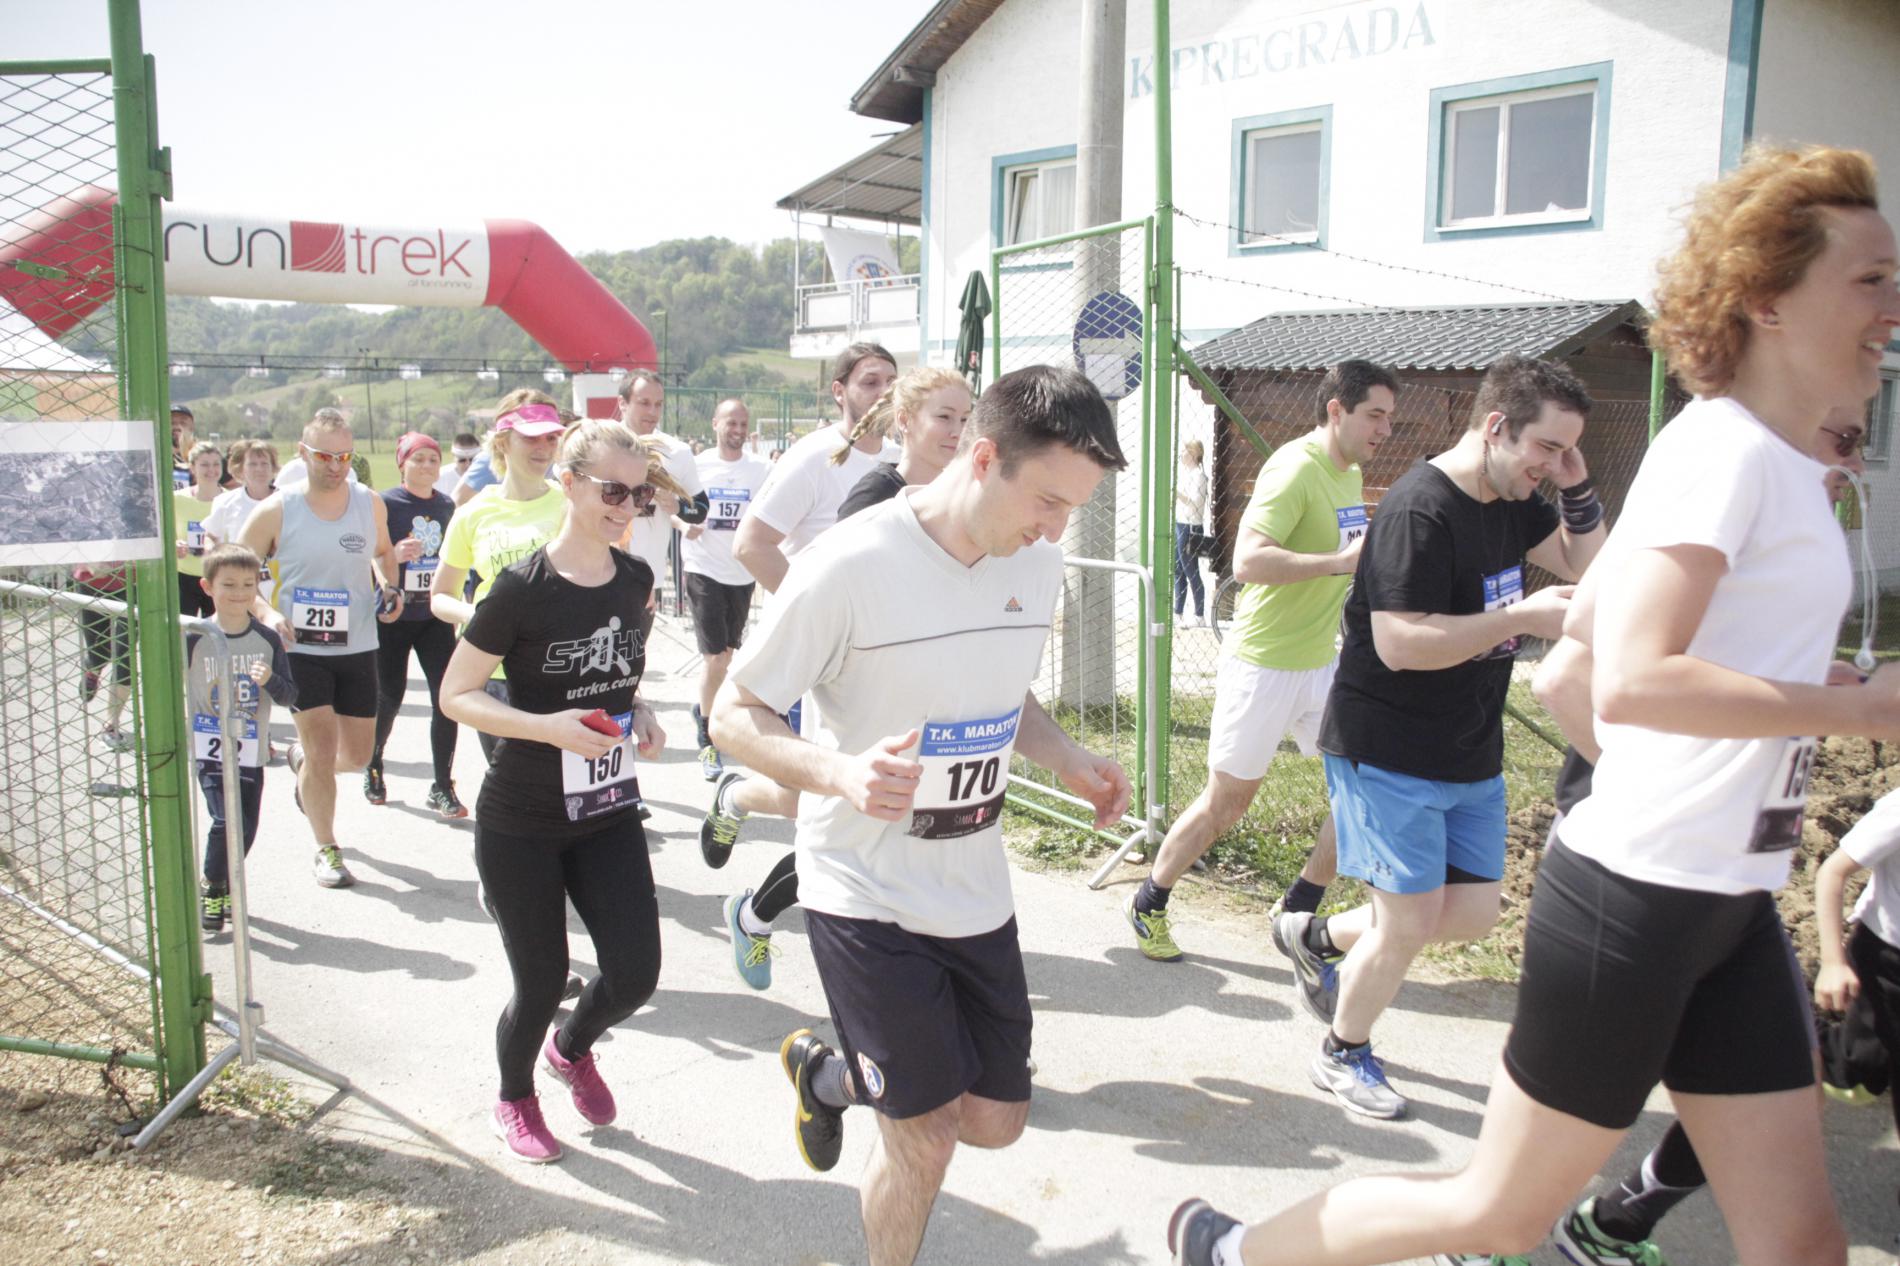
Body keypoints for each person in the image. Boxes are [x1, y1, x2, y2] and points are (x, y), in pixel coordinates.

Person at [1169, 141, 1900, 1266]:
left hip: (1734, 891)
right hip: (1637, 890)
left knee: (1802, 1245)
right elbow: (1626, 675)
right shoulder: (1721, 455)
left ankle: (1330, 961)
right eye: (1870, 279)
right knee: (1496, 1212)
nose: (1891, 307)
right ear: (1768, 301)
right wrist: (1856, 712)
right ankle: (1233, 1249)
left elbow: (1602, 609)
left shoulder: (1787, 466)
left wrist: (1827, 689)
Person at [710, 364, 1132, 1266]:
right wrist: (839, 772)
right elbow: (732, 715)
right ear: (982, 458)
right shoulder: (848, 565)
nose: (1057, 529)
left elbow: (1005, 692)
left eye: (1074, 509)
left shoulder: (1035, 560)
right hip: (862, 889)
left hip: (972, 888)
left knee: (996, 1119)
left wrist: (1068, 758)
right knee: (927, 1135)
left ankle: (828, 1077)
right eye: (1048, 501)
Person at [1520, 409, 1870, 1266]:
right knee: (1524, 1174)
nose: (1855, 463)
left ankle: (1614, 1221)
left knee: (1790, 1115)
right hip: (1638, 865)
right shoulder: (1725, 466)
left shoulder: (1786, 513)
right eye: (1844, 438)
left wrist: (1798, 687)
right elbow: (1568, 671)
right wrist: (1659, 777)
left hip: (1727, 877)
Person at [1267, 354, 1602, 1123]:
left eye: (1565, 451)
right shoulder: (1420, 509)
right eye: (1546, 448)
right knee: (1410, 923)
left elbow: (1586, 564)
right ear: (1496, 427)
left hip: (1467, 745)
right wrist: (1518, 617)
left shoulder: (1515, 497)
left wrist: (1577, 487)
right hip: (1386, 745)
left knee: (1473, 914)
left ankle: (1318, 936)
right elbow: (1400, 644)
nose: (1551, 466)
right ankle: (1342, 1052)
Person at [439, 418, 670, 1165]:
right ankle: (514, 1098)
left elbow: (618, 676)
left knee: (635, 974)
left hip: (605, 812)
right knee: (539, 982)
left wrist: (641, 712)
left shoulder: (636, 580)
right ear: (568, 484)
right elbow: (456, 695)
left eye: (639, 493)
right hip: (523, 819)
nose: (627, 506)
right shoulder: (520, 589)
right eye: (612, 491)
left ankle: (569, 1051)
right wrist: (547, 727)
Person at [1126, 361, 1393, 962]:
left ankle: (1296, 908)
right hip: (1263, 665)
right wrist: (1339, 563)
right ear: (1336, 410)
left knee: (1363, 788)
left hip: (1321, 664)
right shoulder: (1295, 468)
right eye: (1374, 415)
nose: (1385, 430)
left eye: (1389, 418)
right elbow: (1247, 561)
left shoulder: (1349, 473)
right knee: (1228, 803)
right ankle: (1148, 900)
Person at [700, 342, 898, 990]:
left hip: (880, 655)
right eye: (870, 381)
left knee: (820, 800)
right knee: (825, 804)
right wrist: (821, 619)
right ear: (839, 391)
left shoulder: (904, 459)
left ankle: (736, 796)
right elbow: (751, 544)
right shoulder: (817, 457)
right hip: (822, 656)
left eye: (892, 381)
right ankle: (755, 912)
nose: (884, 392)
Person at [240, 408, 412, 890]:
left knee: (355, 756)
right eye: (324, 456)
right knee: (322, 750)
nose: (335, 466)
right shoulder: (277, 509)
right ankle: (326, 847)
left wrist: (391, 590)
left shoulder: (369, 503)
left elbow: (383, 552)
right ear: (302, 453)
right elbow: (236, 572)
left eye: (344, 457)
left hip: (358, 645)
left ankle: (301, 761)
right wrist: (267, 614)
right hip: (300, 649)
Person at [430, 391, 566, 766]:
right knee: (510, 778)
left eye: (551, 437)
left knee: (561, 783)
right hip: (496, 670)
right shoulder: (473, 513)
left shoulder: (570, 503)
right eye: (531, 437)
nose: (543, 448)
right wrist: (475, 615)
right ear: (503, 441)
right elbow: (440, 596)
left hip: (562, 666)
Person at [186, 544, 295, 932]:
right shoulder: (193, 636)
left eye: (248, 585)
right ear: (207, 587)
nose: (239, 592)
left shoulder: (266, 640)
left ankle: (224, 880)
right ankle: (213, 886)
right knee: (224, 818)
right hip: (209, 746)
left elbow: (289, 696)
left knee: (246, 827)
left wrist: (270, 680)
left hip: (250, 749)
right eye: (228, 584)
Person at [367, 431, 465, 817]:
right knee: (389, 697)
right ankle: (373, 762)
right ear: (402, 464)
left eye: (432, 459)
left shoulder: (446, 504)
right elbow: (368, 555)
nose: (426, 466)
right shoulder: (386, 503)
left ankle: (442, 784)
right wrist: (393, 554)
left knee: (446, 699)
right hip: (393, 616)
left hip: (434, 616)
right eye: (418, 459)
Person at [679, 398, 771, 782]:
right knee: (715, 658)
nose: (737, 430)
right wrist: (683, 525)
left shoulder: (761, 470)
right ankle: (707, 737)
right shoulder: (696, 467)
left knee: (727, 655)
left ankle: (702, 708)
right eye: (731, 422)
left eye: (743, 424)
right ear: (715, 423)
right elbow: (671, 503)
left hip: (741, 572)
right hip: (703, 568)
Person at [616, 369, 708, 641]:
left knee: (633, 654)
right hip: (598, 570)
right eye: (644, 403)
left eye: (658, 404)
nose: (652, 412)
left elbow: (701, 508)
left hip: (646, 578)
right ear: (623, 403)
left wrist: (676, 506)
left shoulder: (676, 451)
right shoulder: (599, 442)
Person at [74, 562, 133, 752]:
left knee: (125, 656)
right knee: (99, 653)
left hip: (132, 585)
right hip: (91, 583)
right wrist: (88, 559)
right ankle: (93, 668)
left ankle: (111, 725)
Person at [174, 440, 224, 618]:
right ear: (192, 468)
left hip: (219, 578)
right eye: (204, 465)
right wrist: (174, 545)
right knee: (183, 630)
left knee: (217, 632)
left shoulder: (230, 501)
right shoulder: (177, 499)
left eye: (216, 464)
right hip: (184, 578)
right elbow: (166, 536)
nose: (211, 470)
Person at [1174, 439, 1209, 626]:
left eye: (1184, 451)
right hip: (1180, 524)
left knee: (1191, 570)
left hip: (1191, 527)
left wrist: (1177, 493)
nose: (1181, 454)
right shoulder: (1186, 474)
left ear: (1194, 453)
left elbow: (1196, 503)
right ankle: (1177, 612)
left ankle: (1199, 615)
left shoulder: (1199, 476)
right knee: (1178, 569)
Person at [438, 432, 481, 500]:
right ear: (453, 456)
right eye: (462, 460)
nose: (468, 464)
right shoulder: (440, 476)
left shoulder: (488, 475)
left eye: (472, 460)